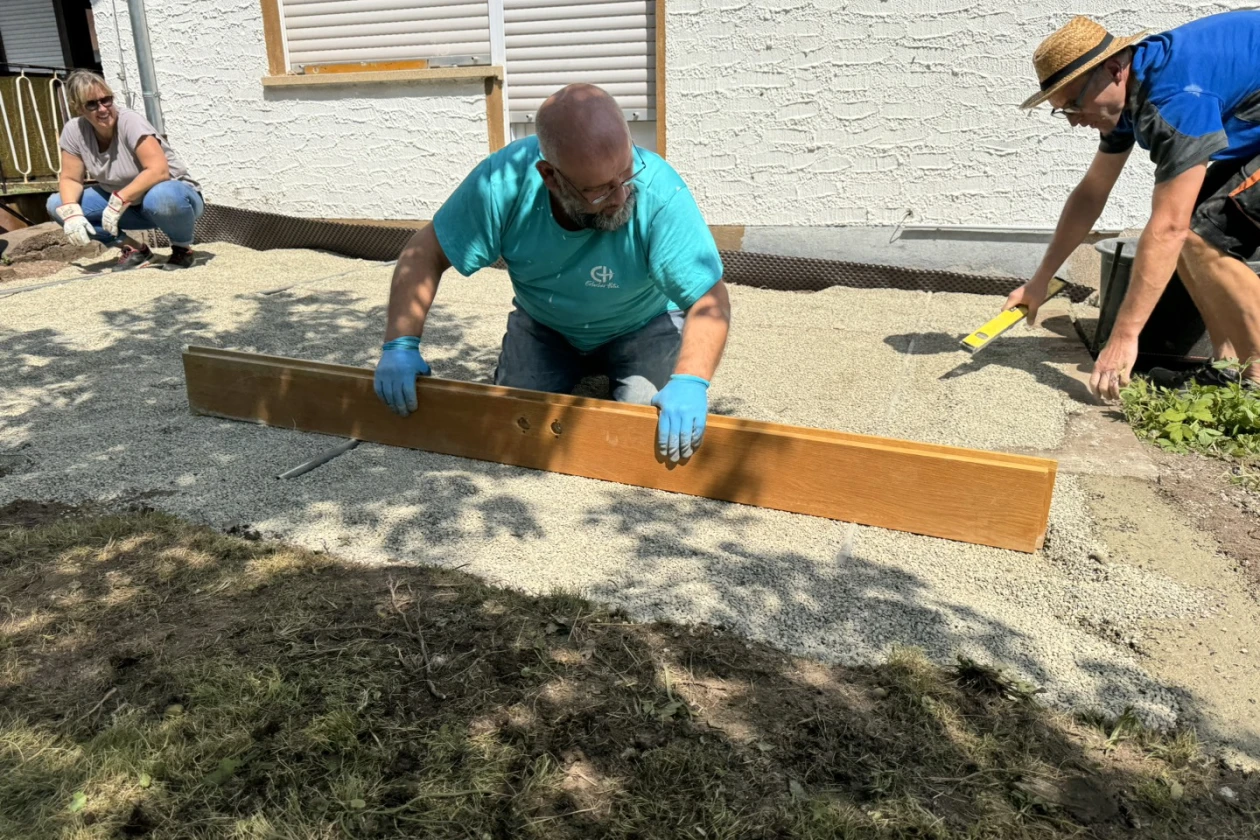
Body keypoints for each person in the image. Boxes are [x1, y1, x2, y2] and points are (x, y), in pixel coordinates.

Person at [374, 84, 731, 464]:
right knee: (513, 423)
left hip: (643, 323)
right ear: (550, 176)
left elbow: (709, 297)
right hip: (546, 325)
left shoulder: (659, 190)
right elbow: (424, 252)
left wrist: (691, 381)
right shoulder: (503, 184)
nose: (621, 197)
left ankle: (616, 368)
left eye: (625, 176)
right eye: (599, 191)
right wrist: (400, 346)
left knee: (646, 431)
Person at [1008, 13, 1260, 397]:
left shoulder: (1175, 99)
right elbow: (1092, 192)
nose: (1075, 122)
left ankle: (1255, 376)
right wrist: (1040, 280)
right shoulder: (1128, 95)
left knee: (1193, 234)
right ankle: (1230, 368)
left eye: (1074, 104)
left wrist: (1125, 336)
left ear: (1113, 69)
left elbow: (1170, 229)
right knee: (1191, 232)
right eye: (1064, 112)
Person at [46, 69, 204, 270]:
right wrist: (72, 214)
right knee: (58, 204)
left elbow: (159, 171)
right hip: (127, 207)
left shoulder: (129, 121)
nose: (103, 109)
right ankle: (136, 250)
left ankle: (182, 250)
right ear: (78, 108)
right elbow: (71, 180)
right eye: (92, 104)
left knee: (162, 194)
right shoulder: (73, 131)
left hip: (174, 201)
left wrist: (119, 199)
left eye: (106, 100)